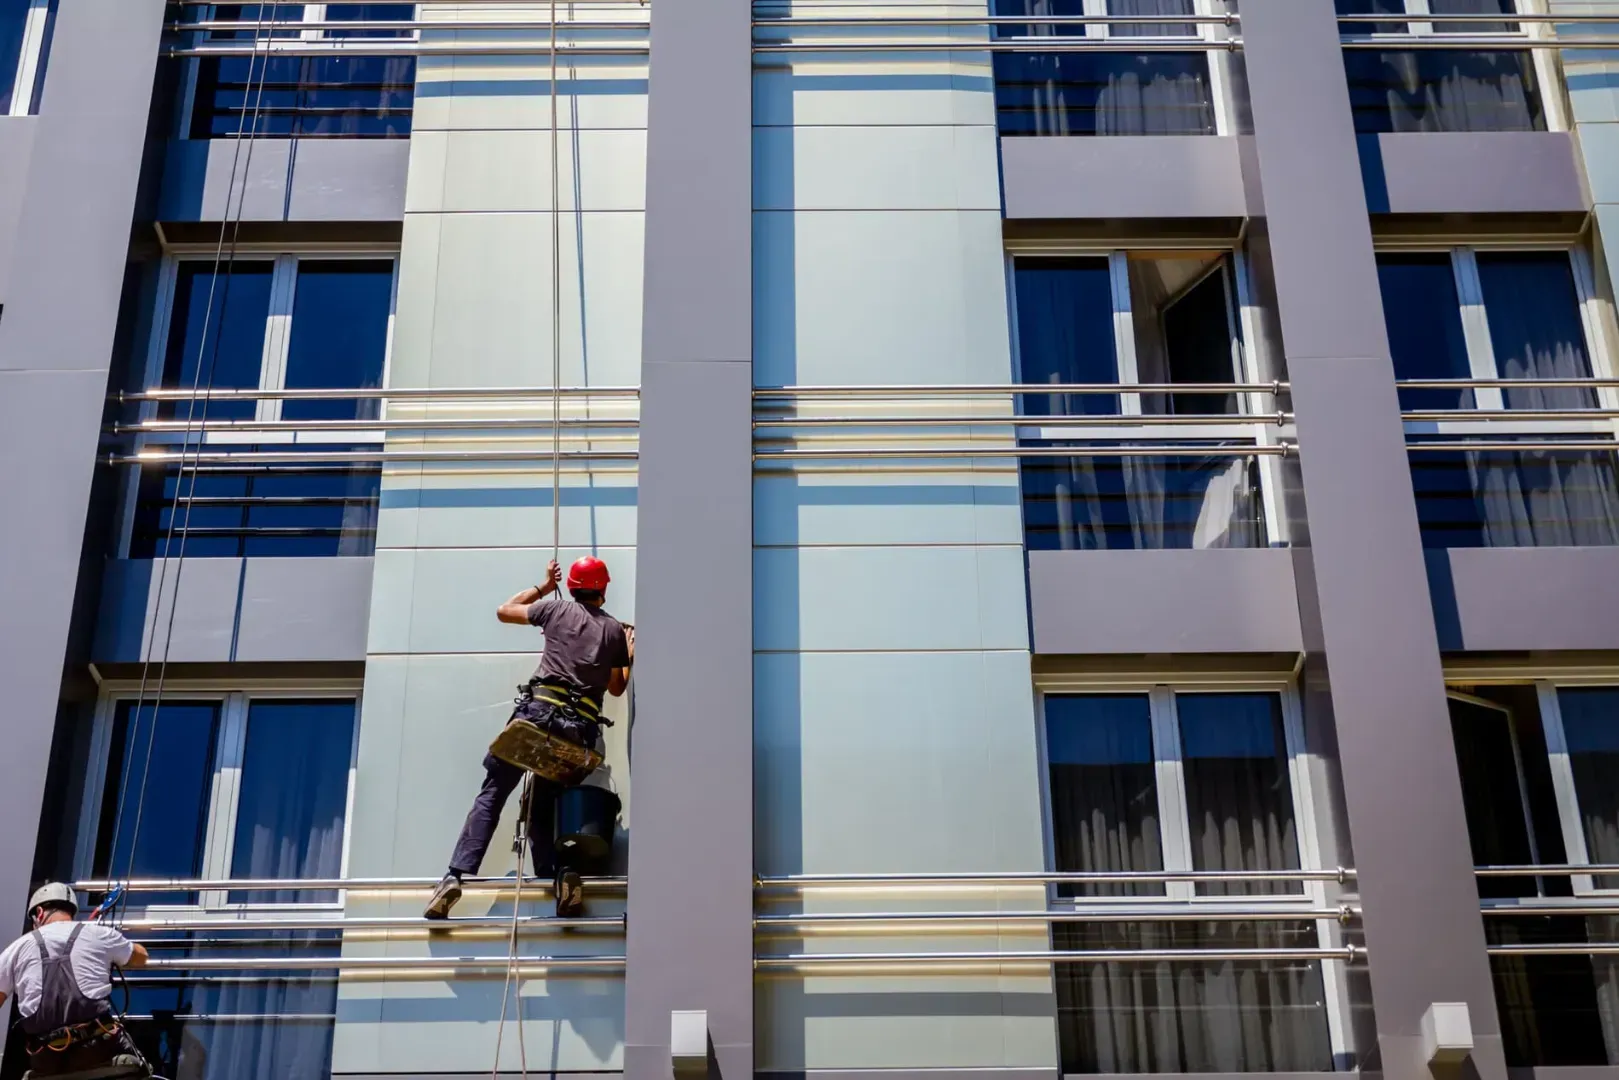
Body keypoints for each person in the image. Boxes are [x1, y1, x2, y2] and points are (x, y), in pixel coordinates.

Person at [426, 556, 634, 921]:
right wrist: (628, 654)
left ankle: (454, 876)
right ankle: (561, 876)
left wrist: (542, 586)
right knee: (543, 805)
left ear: (571, 586)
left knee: (493, 795)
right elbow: (616, 688)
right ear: (603, 588)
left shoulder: (555, 610)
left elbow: (505, 611)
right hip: (579, 734)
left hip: (538, 717)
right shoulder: (614, 631)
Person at [0, 883, 151, 1080]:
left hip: (48, 1058)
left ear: (39, 912)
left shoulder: (17, 948)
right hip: (98, 1046)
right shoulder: (99, 935)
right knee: (141, 1068)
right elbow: (141, 957)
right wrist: (115, 947)